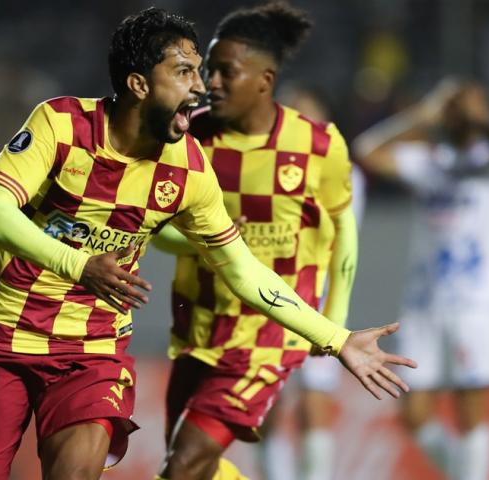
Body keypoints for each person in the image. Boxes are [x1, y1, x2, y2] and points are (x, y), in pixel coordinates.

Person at [0, 7, 414, 480]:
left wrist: (337, 339)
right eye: (184, 72)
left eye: (199, 72)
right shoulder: (61, 124)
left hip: (93, 347)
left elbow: (244, 272)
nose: (200, 87)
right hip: (4, 332)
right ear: (140, 84)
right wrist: (80, 265)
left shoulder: (189, 168)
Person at [151, 4, 365, 479]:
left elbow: (343, 229)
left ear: (265, 80)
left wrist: (336, 320)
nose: (211, 83)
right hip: (199, 327)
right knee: (191, 467)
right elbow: (156, 228)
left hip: (270, 337)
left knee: (181, 466)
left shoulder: (318, 145)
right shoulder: (188, 137)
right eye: (209, 70)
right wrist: (209, 242)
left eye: (227, 72)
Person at [354, 78, 489, 480]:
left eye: (468, 103)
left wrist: (480, 118)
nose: (460, 110)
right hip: (423, 303)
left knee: (470, 406)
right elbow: (368, 151)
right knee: (413, 412)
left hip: (476, 304)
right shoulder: (432, 162)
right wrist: (422, 115)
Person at [257, 83, 368, 480]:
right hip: (266, 298)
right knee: (265, 403)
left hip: (316, 299)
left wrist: (334, 321)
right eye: (290, 112)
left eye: (306, 113)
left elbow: (341, 246)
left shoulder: (344, 173)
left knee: (313, 400)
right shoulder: (261, 165)